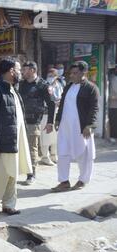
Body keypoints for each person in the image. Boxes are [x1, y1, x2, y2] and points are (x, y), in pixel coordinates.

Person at [0, 58, 32, 223]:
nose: (21, 73)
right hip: (1, 145)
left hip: (14, 140)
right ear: (11, 71)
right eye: (19, 69)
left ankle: (9, 205)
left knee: (12, 176)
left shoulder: (13, 89)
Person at [51, 61, 100, 192]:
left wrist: (90, 125)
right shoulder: (68, 87)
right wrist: (57, 119)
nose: (71, 76)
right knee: (62, 153)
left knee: (84, 154)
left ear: (84, 73)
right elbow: (62, 105)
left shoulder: (91, 88)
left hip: (81, 127)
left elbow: (94, 108)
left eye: (75, 73)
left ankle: (83, 180)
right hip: (65, 126)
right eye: (71, 73)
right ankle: (64, 181)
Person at [19, 61, 55, 185]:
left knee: (31, 148)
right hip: (19, 121)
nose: (22, 72)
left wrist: (50, 122)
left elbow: (51, 104)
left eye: (25, 70)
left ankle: (31, 174)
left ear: (33, 70)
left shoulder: (43, 85)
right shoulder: (21, 84)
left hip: (33, 122)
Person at [40, 68, 64, 165]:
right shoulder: (44, 85)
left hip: (56, 112)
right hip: (46, 113)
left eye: (53, 75)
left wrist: (59, 102)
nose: (51, 77)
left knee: (55, 136)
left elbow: (61, 97)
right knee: (46, 136)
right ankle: (45, 156)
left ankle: (54, 155)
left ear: (57, 76)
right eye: (49, 75)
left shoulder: (59, 85)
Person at [108, 67, 117, 141]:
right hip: (114, 105)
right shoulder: (114, 79)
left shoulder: (113, 78)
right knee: (114, 121)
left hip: (113, 104)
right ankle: (113, 137)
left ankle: (113, 136)